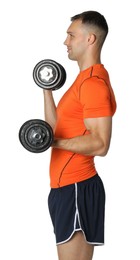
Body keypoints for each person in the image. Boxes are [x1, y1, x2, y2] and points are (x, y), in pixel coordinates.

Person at [43, 10, 116, 260]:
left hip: (77, 187)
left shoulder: (93, 84)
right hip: (65, 189)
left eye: (71, 35)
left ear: (90, 39)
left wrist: (54, 142)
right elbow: (53, 131)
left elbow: (100, 143)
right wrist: (47, 91)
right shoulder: (81, 82)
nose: (66, 41)